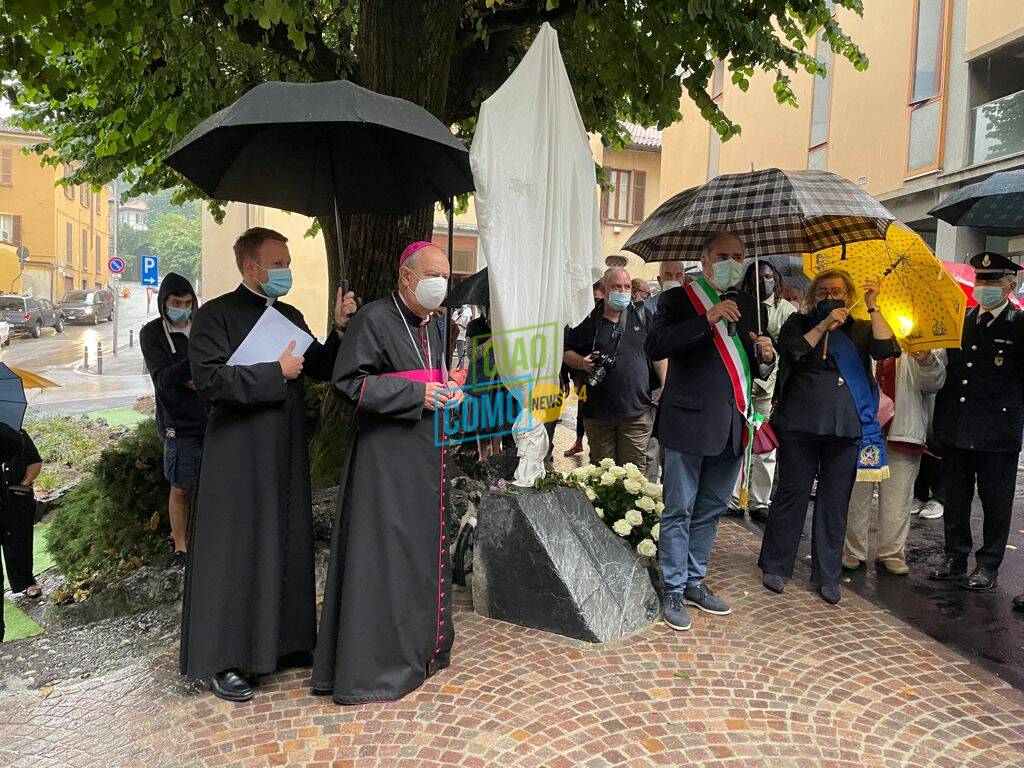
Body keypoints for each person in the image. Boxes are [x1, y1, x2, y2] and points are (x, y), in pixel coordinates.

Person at [181, 227, 357, 702]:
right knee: (237, 548)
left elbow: (322, 366)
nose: (285, 270)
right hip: (236, 456)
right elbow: (211, 381)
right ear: (250, 268)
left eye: (287, 261)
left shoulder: (290, 314)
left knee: (285, 538)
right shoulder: (214, 316)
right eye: (276, 263)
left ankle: (287, 643)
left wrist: (339, 330)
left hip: (283, 449)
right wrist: (273, 373)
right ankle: (227, 659)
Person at [313, 241, 462, 704]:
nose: (442, 283)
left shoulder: (435, 326)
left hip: (426, 458)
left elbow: (437, 378)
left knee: (421, 553)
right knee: (387, 556)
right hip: (385, 461)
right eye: (434, 274)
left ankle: (422, 651)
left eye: (446, 276)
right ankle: (377, 666)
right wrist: (414, 397)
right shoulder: (374, 319)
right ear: (406, 277)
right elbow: (347, 383)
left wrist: (452, 390)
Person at [646, 232, 774, 630]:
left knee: (710, 511)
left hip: (733, 424)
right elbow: (656, 345)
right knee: (679, 509)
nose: (731, 262)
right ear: (704, 261)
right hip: (687, 422)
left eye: (739, 255)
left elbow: (752, 366)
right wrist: (708, 319)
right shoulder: (676, 300)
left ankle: (694, 583)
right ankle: (672, 585)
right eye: (723, 255)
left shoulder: (751, 303)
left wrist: (766, 359)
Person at [759, 269, 898, 604]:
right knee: (792, 494)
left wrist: (873, 305)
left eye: (837, 292)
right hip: (801, 426)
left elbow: (885, 349)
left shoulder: (861, 328)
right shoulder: (798, 322)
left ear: (847, 296)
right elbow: (792, 352)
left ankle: (827, 575)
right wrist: (822, 326)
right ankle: (776, 565)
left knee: (835, 503)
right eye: (822, 292)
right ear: (812, 296)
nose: (830, 297)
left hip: (847, 429)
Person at [930, 251, 1024, 591]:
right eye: (980, 279)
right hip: (957, 426)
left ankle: (988, 564)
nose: (984, 286)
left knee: (995, 501)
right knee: (956, 497)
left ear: (1010, 286)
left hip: (997, 432)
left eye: (992, 281)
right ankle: (955, 556)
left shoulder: (1019, 325)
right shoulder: (962, 318)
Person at [843, 349, 946, 575]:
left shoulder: (925, 334)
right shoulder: (864, 324)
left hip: (904, 429)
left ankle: (892, 552)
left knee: (898, 499)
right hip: (865, 429)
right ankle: (851, 550)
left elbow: (935, 384)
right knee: (856, 494)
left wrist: (927, 361)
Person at [564, 267, 665, 470]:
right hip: (597, 413)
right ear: (605, 288)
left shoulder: (642, 315)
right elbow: (565, 351)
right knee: (603, 473)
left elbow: (658, 351)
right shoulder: (588, 319)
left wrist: (664, 382)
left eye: (626, 287)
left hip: (637, 410)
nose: (622, 291)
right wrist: (582, 363)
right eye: (616, 286)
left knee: (634, 474)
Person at [139, 272, 207, 567]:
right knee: (181, 486)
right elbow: (162, 378)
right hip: (177, 423)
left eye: (188, 302)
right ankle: (181, 545)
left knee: (212, 484)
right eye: (176, 302)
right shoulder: (152, 333)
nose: (183, 307)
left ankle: (210, 536)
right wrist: (193, 367)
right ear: (163, 303)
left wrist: (199, 377)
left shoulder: (203, 326)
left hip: (213, 416)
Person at [728, 261, 796, 522]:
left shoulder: (786, 310)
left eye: (768, 276)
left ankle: (760, 501)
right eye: (758, 277)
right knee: (738, 443)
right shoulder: (742, 307)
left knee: (765, 447)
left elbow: (790, 349)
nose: (764, 281)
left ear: (775, 279)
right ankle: (734, 498)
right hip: (743, 384)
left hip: (769, 388)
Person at [642, 262, 689, 482]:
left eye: (678, 274)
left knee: (674, 452)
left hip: (680, 389)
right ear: (659, 280)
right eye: (668, 275)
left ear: (684, 278)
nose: (673, 278)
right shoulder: (646, 309)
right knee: (650, 448)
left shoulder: (694, 308)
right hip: (651, 390)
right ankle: (649, 496)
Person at [0, 423, 37, 642]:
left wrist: (24, 483)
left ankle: (24, 581)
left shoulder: (13, 433)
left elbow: (32, 459)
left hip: (15, 498)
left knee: (19, 543)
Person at [564, 281, 605, 458]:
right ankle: (580, 441)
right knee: (583, 407)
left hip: (608, 374)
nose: (598, 305)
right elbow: (567, 347)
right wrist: (566, 376)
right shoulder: (582, 317)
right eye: (595, 300)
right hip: (582, 370)